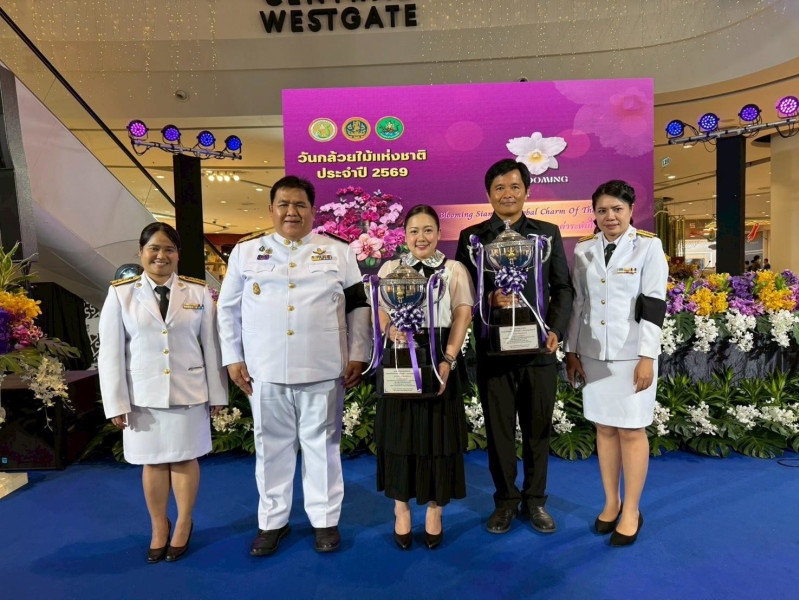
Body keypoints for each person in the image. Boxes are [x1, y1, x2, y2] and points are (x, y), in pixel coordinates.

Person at [217, 175, 371, 556]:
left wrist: (359, 352)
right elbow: (228, 309)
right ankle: (272, 522)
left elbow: (358, 306)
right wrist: (233, 357)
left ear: (313, 211)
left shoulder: (338, 252)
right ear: (271, 209)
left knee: (323, 446)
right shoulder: (246, 252)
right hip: (264, 369)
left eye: (300, 205)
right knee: (271, 447)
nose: (291, 212)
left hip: (323, 368)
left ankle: (325, 520)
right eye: (283, 204)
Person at [455, 159, 574, 535]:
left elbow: (563, 287)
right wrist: (489, 299)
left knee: (538, 429)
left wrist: (555, 329)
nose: (508, 194)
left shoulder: (547, 234)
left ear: (527, 191)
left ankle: (535, 500)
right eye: (499, 188)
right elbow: (461, 295)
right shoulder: (473, 238)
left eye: (515, 186)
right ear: (488, 194)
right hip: (494, 353)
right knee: (499, 432)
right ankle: (505, 501)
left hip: (539, 350)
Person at [98, 222, 228, 563]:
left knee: (185, 458)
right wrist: (116, 401)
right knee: (153, 463)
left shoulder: (197, 293)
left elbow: (212, 346)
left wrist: (218, 394)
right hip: (143, 396)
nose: (161, 255)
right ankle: (159, 525)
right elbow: (110, 353)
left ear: (178, 254)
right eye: (154, 248)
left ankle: (183, 522)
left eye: (169, 249)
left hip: (189, 392)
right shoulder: (121, 294)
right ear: (141, 252)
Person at [564, 180, 668, 547]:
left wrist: (647, 357)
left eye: (617, 209)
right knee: (605, 429)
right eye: (602, 210)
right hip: (594, 355)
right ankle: (611, 502)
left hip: (632, 356)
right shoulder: (584, 249)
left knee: (631, 431)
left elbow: (654, 304)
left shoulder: (648, 247)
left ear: (631, 210)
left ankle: (632, 510)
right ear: (594, 213)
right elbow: (579, 304)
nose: (610, 216)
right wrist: (571, 351)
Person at [375, 204, 476, 550]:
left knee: (439, 436)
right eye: (414, 231)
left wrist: (449, 358)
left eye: (428, 230)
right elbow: (380, 310)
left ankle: (435, 510)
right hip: (400, 358)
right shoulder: (390, 269)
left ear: (439, 234)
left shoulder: (453, 270)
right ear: (404, 235)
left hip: (438, 356)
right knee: (399, 433)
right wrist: (389, 331)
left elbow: (463, 314)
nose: (421, 237)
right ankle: (400, 508)